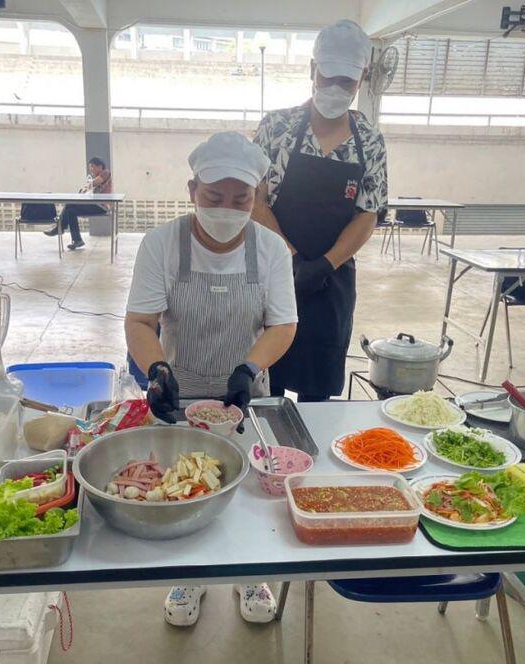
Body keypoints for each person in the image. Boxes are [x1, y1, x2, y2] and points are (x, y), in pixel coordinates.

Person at [125, 131, 297, 626]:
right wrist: (157, 370)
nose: (226, 209)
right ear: (191, 191)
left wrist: (248, 369)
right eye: (213, 196)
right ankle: (190, 573)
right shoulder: (162, 244)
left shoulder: (271, 249)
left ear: (256, 197)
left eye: (240, 199)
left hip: (244, 394)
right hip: (179, 393)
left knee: (247, 495)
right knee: (185, 489)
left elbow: (282, 325)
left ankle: (249, 572)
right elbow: (141, 322)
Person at [252, 20, 388, 402]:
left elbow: (367, 213)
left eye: (347, 81)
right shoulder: (277, 127)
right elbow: (255, 200)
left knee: (319, 390)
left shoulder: (369, 141)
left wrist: (325, 264)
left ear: (362, 78)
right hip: (274, 272)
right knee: (266, 384)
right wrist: (292, 259)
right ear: (312, 70)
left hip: (331, 282)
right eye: (328, 77)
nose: (336, 88)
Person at [45, 156, 112, 250]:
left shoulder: (106, 172)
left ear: (100, 166)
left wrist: (86, 187)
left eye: (93, 167)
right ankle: (77, 240)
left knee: (70, 204)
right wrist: (84, 189)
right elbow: (90, 187)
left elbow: (94, 183)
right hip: (94, 205)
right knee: (70, 210)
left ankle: (59, 228)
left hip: (102, 206)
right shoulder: (95, 177)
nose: (91, 169)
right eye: (90, 167)